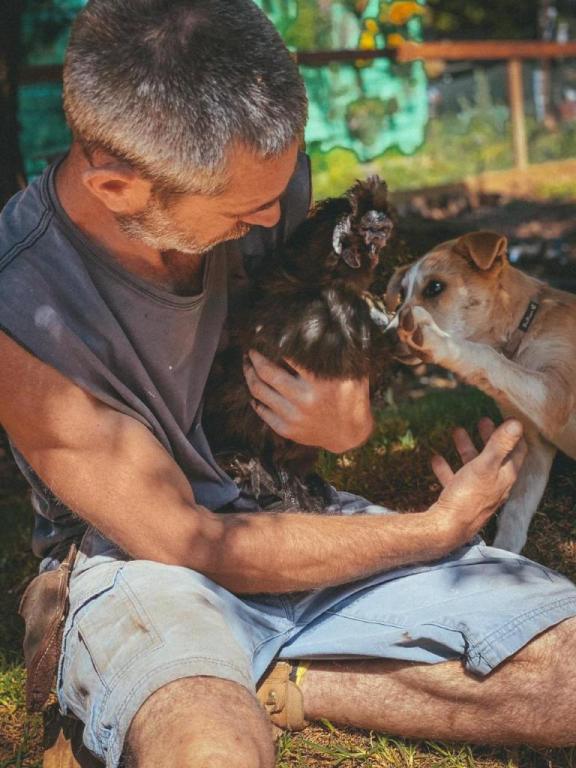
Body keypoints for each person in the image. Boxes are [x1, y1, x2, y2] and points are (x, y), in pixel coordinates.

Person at [2, 2, 576, 767]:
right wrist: (434, 529)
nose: (276, 216)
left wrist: (347, 424)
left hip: (294, 507)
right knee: (211, 750)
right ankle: (197, 679)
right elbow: (181, 537)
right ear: (117, 187)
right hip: (139, 556)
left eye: (285, 183)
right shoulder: (21, 305)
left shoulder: (259, 180)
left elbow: (331, 373)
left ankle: (287, 680)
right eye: (246, 210)